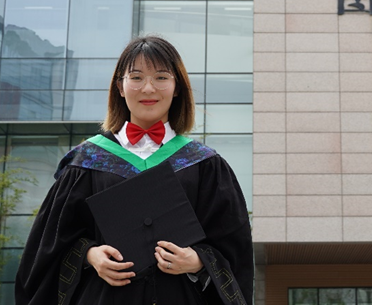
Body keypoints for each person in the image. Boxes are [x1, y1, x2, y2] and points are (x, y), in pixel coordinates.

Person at [15, 35, 253, 305]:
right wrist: (90, 255)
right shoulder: (87, 160)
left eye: (161, 77)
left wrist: (198, 261)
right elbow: (48, 244)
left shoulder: (204, 164)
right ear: (120, 86)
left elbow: (235, 248)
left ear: (176, 87)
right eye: (136, 77)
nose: (148, 88)